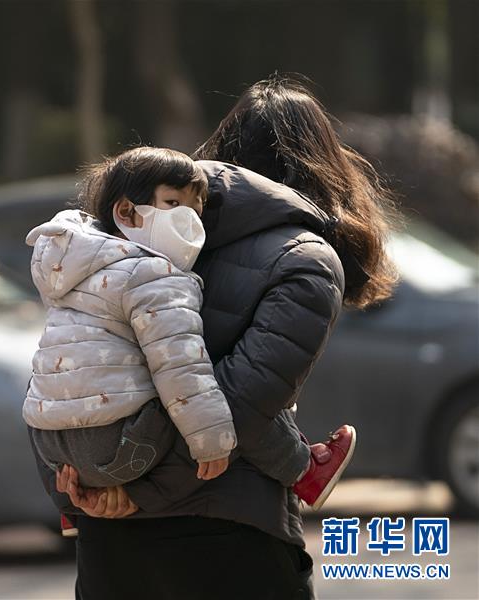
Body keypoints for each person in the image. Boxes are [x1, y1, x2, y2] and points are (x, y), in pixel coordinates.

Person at [40, 75, 399, 600]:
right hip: (229, 538)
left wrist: (91, 486)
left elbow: (60, 372)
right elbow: (237, 405)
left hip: (111, 539)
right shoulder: (305, 260)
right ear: (326, 168)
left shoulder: (138, 230)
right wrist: (137, 492)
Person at [25, 147, 355, 538]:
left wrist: (70, 490)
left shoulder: (69, 264)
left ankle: (71, 510)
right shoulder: (156, 275)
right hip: (121, 446)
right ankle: (303, 469)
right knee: (220, 388)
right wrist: (211, 442)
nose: (190, 220)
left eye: (196, 210)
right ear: (126, 212)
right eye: (173, 204)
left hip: (54, 452)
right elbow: (181, 368)